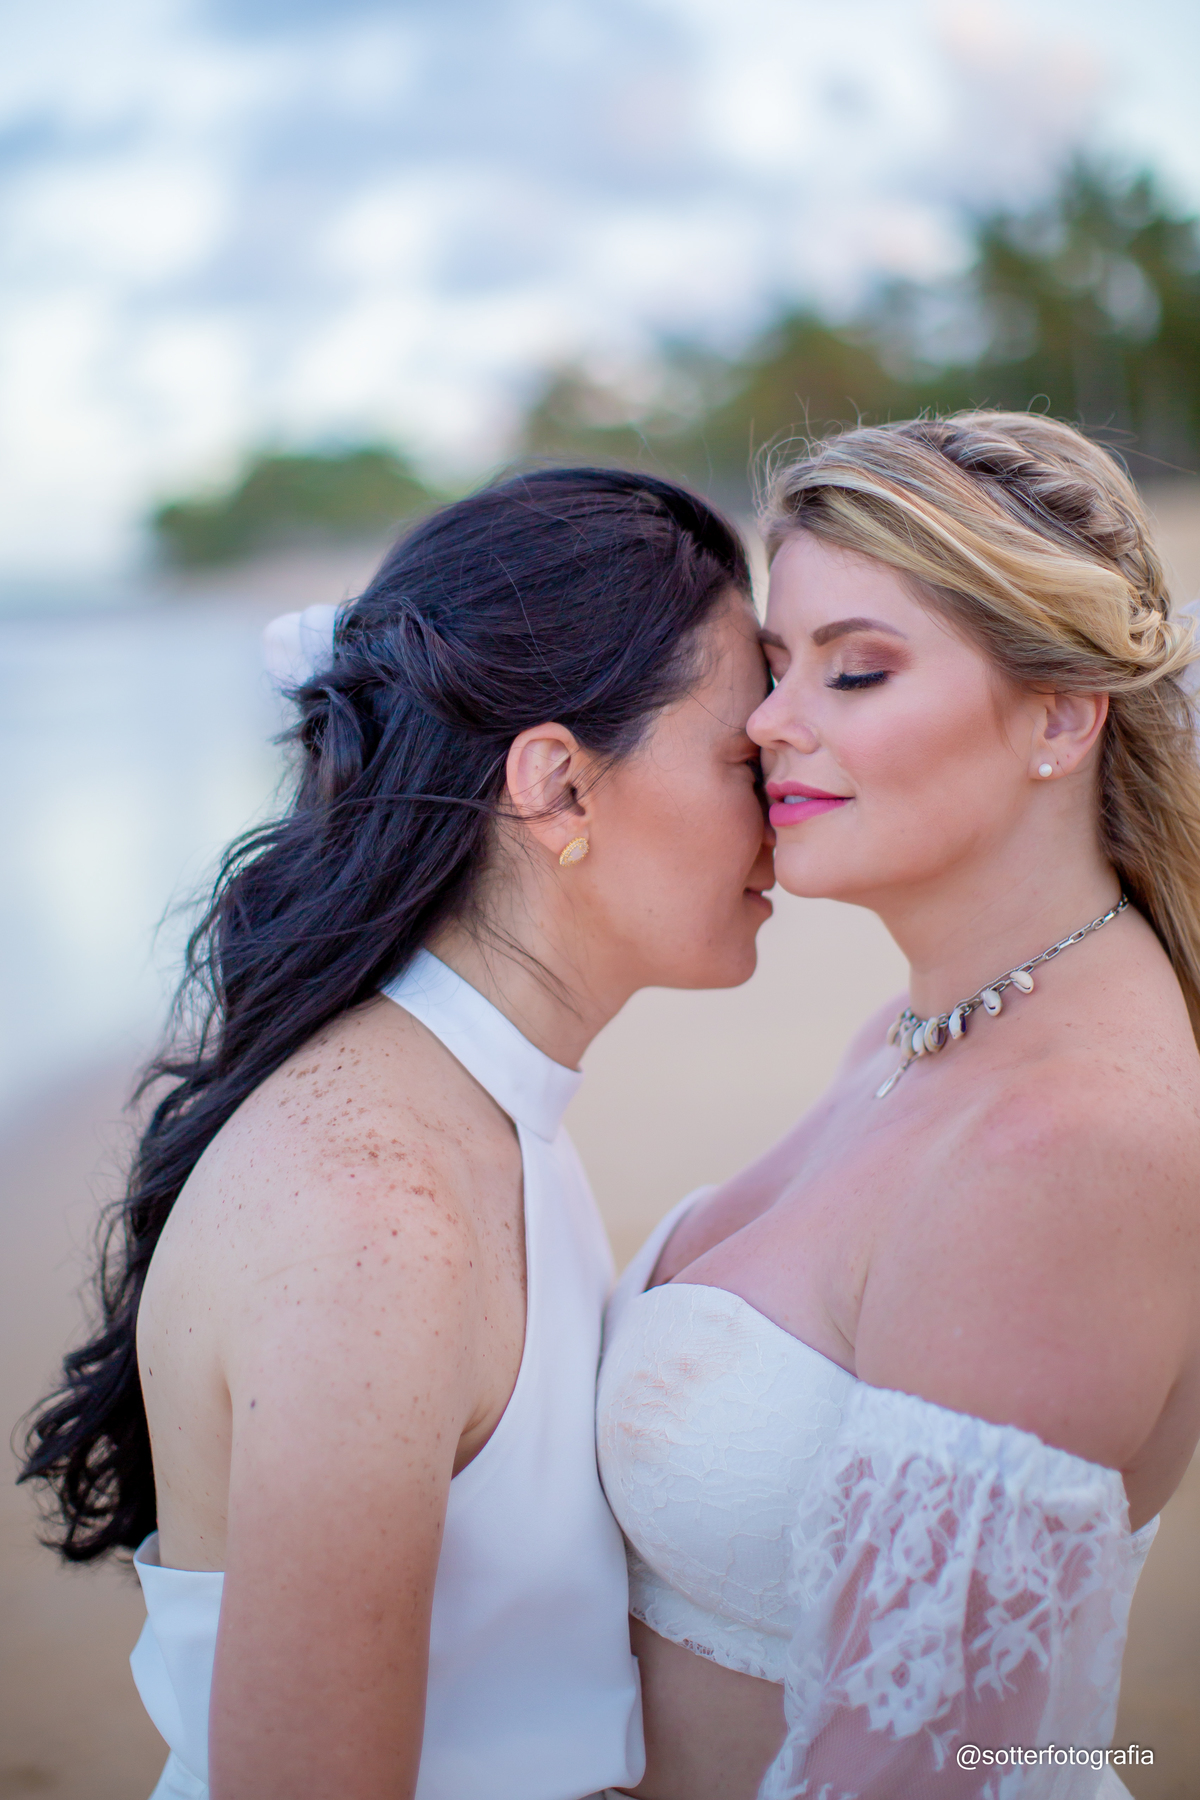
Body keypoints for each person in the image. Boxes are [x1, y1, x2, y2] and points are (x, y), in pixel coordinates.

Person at [21, 467, 776, 1800]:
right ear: (559, 788)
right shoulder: (376, 1215)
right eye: (743, 759)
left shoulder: (473, 1105)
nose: (784, 802)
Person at [598, 413, 1200, 1799]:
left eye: (856, 670)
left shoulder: (1068, 1148)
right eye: (776, 667)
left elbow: (928, 1764)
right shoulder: (919, 1030)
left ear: (1062, 715)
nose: (768, 724)